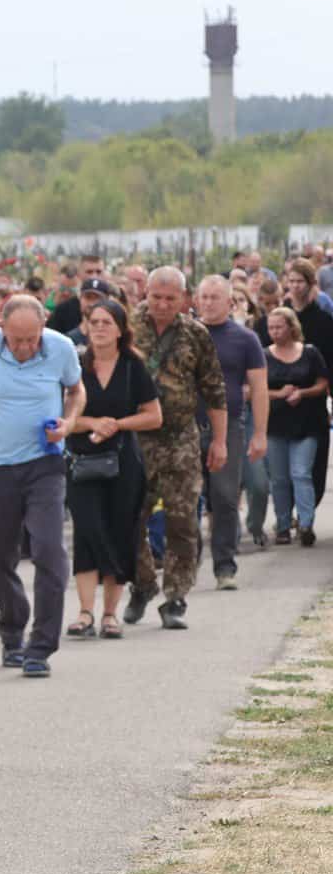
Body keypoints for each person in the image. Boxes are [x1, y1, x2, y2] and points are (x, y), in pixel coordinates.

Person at [0, 296, 85, 677]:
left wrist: (68, 423)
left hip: (43, 464)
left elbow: (76, 391)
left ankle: (41, 646)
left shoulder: (61, 348)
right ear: (1, 328)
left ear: (43, 327)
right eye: (16, 340)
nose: (24, 348)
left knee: (50, 550)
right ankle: (12, 629)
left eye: (31, 339)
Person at [124, 269, 227, 631]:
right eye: (156, 297)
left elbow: (214, 389)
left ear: (185, 299)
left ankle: (176, 596)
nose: (163, 305)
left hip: (181, 438)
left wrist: (219, 440)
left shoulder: (195, 334)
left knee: (182, 521)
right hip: (137, 437)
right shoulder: (128, 326)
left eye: (171, 298)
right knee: (131, 517)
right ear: (146, 293)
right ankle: (143, 583)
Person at [64, 299, 163, 640]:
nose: (100, 327)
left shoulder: (133, 365)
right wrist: (91, 421)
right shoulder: (75, 365)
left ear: (121, 329)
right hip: (83, 463)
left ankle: (109, 614)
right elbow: (62, 417)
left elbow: (154, 415)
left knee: (120, 532)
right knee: (87, 532)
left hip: (123, 463)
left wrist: (117, 424)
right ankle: (84, 612)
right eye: (95, 321)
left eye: (108, 322)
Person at [194, 274, 269, 583]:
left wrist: (260, 433)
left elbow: (259, 387)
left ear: (230, 302)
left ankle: (225, 564)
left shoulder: (245, 339)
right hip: (186, 427)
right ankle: (188, 563)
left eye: (215, 297)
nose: (209, 303)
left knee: (225, 496)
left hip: (230, 427)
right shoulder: (186, 335)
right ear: (196, 300)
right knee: (187, 499)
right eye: (204, 297)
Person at [262, 306, 331, 547]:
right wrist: (279, 393)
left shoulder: (310, 353)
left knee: (301, 473)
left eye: (279, 327)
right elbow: (254, 391)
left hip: (307, 423)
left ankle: (305, 523)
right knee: (279, 479)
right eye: (271, 327)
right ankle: (282, 526)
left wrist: (302, 392)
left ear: (292, 327)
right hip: (275, 425)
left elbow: (323, 383)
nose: (275, 332)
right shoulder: (264, 355)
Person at [48, 254, 105, 337]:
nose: (94, 276)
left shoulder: (114, 308)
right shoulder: (63, 310)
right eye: (89, 272)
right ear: (79, 274)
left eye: (98, 272)